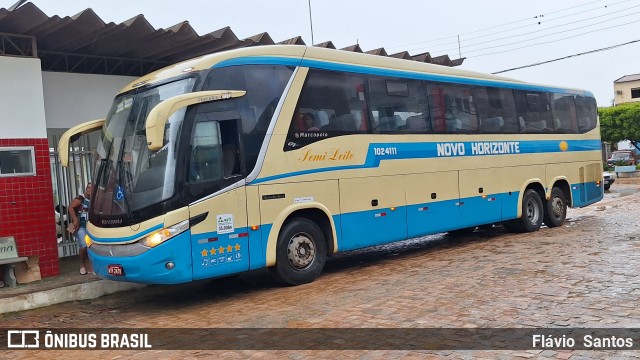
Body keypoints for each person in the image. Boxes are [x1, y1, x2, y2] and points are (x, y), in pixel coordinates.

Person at [69, 183, 94, 275]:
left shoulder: (94, 199)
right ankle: (82, 264)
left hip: (91, 227)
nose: (89, 190)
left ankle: (90, 265)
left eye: (91, 188)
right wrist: (75, 219)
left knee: (91, 246)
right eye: (88, 188)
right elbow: (70, 207)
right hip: (81, 227)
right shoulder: (81, 198)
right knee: (83, 246)